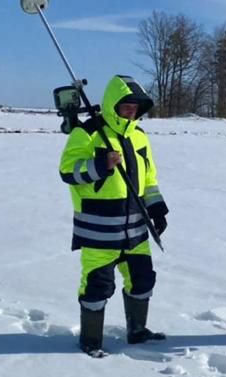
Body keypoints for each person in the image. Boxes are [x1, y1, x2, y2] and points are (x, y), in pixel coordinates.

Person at [58, 75, 169, 357]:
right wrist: (100, 164)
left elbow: (149, 176)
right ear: (112, 105)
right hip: (99, 231)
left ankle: (137, 330)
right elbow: (68, 171)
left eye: (136, 107)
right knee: (98, 285)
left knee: (143, 280)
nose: (131, 111)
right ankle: (91, 340)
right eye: (125, 106)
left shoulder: (139, 135)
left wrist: (156, 206)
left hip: (136, 228)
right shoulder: (88, 133)